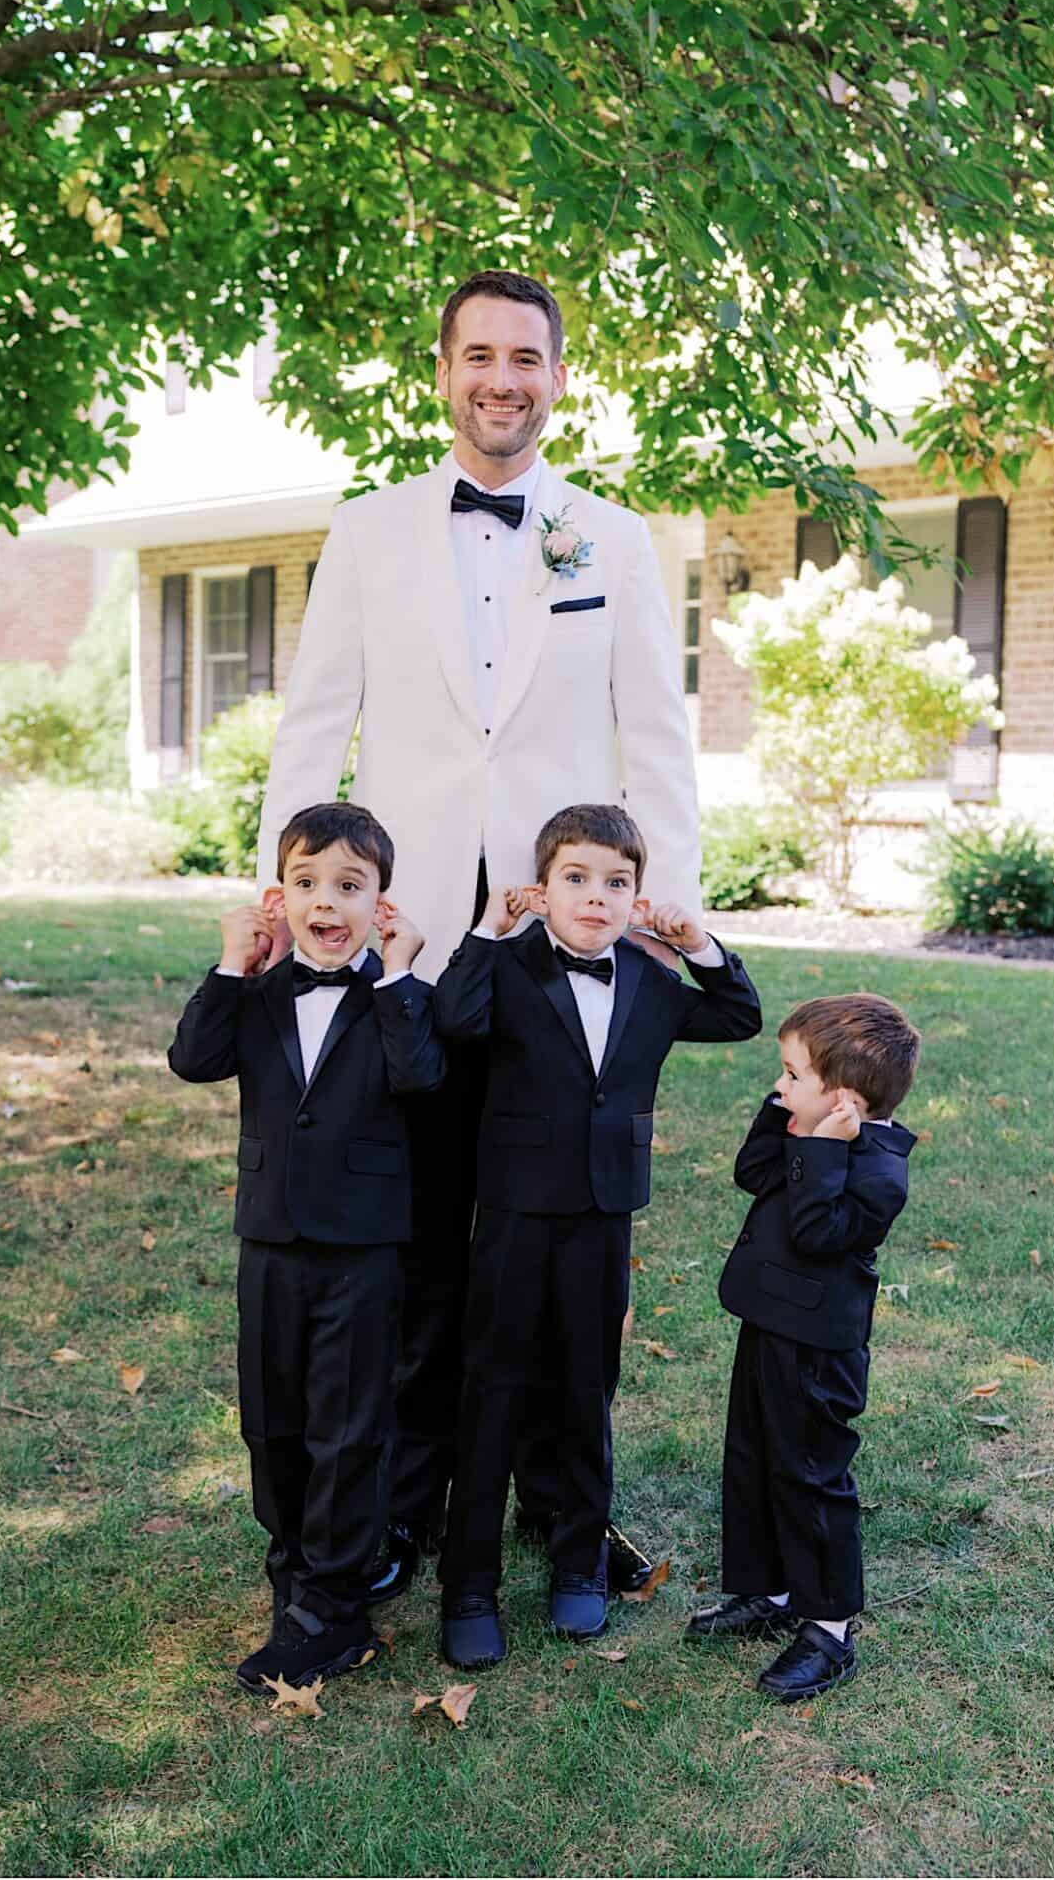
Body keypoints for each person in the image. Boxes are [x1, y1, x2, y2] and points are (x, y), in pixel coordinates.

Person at [252, 267, 705, 1603]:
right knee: (415, 1255)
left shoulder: (614, 541)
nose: (504, 380)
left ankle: (565, 1513)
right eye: (481, 357)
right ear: (442, 371)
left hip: (555, 959)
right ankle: (399, 1512)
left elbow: (655, 738)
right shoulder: (368, 532)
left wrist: (653, 911)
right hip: (407, 953)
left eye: (529, 359)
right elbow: (309, 723)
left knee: (556, 1258)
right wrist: (294, 901)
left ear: (561, 378)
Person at [428, 804, 761, 1668]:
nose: (597, 896)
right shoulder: (505, 968)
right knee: (492, 1391)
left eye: (618, 883)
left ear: (635, 896)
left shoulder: (650, 981)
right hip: (510, 1216)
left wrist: (699, 945)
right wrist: (489, 931)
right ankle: (469, 1585)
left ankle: (579, 1563)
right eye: (576, 878)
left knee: (586, 1390)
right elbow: (454, 1022)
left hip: (603, 1218)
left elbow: (739, 1017)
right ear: (543, 889)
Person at [168, 803, 446, 1691]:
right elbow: (192, 1059)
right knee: (272, 1418)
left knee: (347, 1425)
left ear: (382, 906)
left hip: (364, 1250)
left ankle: (335, 1605)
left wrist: (401, 976)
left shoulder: (404, 1003)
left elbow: (421, 1080)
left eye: (350, 887)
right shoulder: (253, 996)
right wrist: (230, 959)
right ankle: (293, 1571)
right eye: (307, 884)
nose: (326, 903)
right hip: (272, 1241)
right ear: (276, 897)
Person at [688, 995, 922, 1702]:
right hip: (768, 1324)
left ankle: (828, 1625)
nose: (779, 1086)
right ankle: (773, 1591)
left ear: (844, 1100)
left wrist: (821, 1148)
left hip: (819, 1350)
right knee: (754, 1459)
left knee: (809, 1476)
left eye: (791, 1075)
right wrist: (788, 1116)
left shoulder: (880, 1170)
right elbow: (752, 1172)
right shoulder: (805, 1122)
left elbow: (820, 1232)